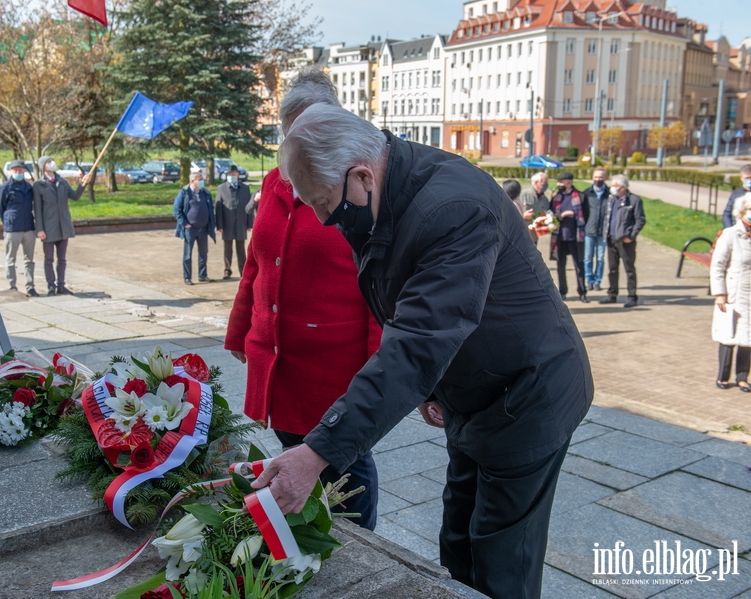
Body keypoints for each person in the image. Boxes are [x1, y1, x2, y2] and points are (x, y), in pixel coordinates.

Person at [253, 104, 593, 599]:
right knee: (458, 542)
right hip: (477, 391)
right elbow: (404, 308)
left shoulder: (451, 207)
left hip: (529, 394)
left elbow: (416, 343)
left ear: (362, 174)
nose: (325, 221)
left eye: (325, 203)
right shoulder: (384, 194)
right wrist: (434, 386)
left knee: (501, 558)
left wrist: (318, 452)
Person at [225, 69, 382, 530]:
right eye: (293, 133)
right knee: (294, 449)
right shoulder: (274, 181)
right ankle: (308, 526)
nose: (303, 144)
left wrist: (378, 363)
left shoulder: (356, 188)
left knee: (345, 462)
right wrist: (240, 330)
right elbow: (257, 261)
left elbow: (378, 285)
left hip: (333, 364)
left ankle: (359, 541)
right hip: (277, 357)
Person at [33, 156, 89, 295]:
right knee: (49, 259)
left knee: (62, 259)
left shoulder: (62, 182)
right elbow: (37, 209)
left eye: (51, 161)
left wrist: (83, 184)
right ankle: (51, 286)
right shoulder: (39, 185)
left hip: (63, 226)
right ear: (42, 166)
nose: (51, 163)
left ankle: (61, 285)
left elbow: (75, 196)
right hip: (48, 227)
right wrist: (39, 229)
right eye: (48, 162)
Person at [711, 198, 751, 391]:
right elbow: (718, 265)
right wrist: (720, 293)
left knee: (748, 337)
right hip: (733, 292)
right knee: (729, 334)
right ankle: (723, 377)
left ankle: (742, 377)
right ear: (742, 212)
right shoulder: (730, 234)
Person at [600, 174, 645, 308]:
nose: (612, 188)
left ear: (623, 188)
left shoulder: (634, 200)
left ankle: (632, 296)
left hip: (626, 241)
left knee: (629, 268)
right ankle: (612, 294)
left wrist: (631, 236)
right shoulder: (611, 199)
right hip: (611, 239)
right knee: (612, 269)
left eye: (615, 186)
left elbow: (640, 220)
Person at [0, 160, 38, 297]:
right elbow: (0, 208)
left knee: (29, 260)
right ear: (11, 171)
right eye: (15, 170)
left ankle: (30, 286)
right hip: (13, 228)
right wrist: (8, 221)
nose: (18, 172)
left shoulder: (29, 187)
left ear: (24, 171)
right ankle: (12, 286)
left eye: (20, 170)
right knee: (10, 259)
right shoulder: (5, 187)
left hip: (28, 227)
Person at [551, 172, 589, 302]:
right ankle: (562, 292)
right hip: (560, 237)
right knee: (560, 266)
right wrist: (562, 215)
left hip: (575, 237)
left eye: (561, 182)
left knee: (579, 265)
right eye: (558, 182)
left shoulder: (581, 197)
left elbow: (586, 216)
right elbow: (551, 215)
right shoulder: (556, 197)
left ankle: (582, 292)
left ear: (569, 183)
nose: (558, 184)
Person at [174, 171, 216, 285]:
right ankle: (187, 277)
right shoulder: (184, 192)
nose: (202, 181)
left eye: (202, 178)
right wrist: (185, 223)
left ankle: (202, 275)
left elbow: (211, 210)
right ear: (193, 181)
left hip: (203, 228)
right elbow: (177, 210)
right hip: (190, 229)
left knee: (203, 253)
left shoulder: (205, 193)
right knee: (187, 254)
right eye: (200, 179)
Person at [215, 166, 254, 279]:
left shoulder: (245, 188)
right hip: (227, 223)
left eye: (234, 174)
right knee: (228, 249)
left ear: (238, 175)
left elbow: (249, 207)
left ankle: (243, 270)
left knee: (241, 249)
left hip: (241, 222)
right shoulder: (221, 188)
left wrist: (249, 224)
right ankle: (227, 270)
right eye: (230, 174)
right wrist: (220, 225)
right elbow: (218, 208)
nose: (232, 176)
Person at [582, 168, 610, 291]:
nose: (598, 179)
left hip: (603, 232)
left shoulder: (609, 194)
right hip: (589, 230)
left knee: (600, 258)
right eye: (596, 177)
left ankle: (598, 280)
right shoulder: (587, 193)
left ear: (605, 178)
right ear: (592, 178)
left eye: (601, 177)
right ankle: (589, 280)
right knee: (588, 258)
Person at [519, 171, 550, 244]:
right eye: (544, 182)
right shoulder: (523, 195)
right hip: (520, 235)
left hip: (534, 237)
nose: (546, 185)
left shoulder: (545, 200)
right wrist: (523, 216)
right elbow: (510, 214)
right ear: (536, 182)